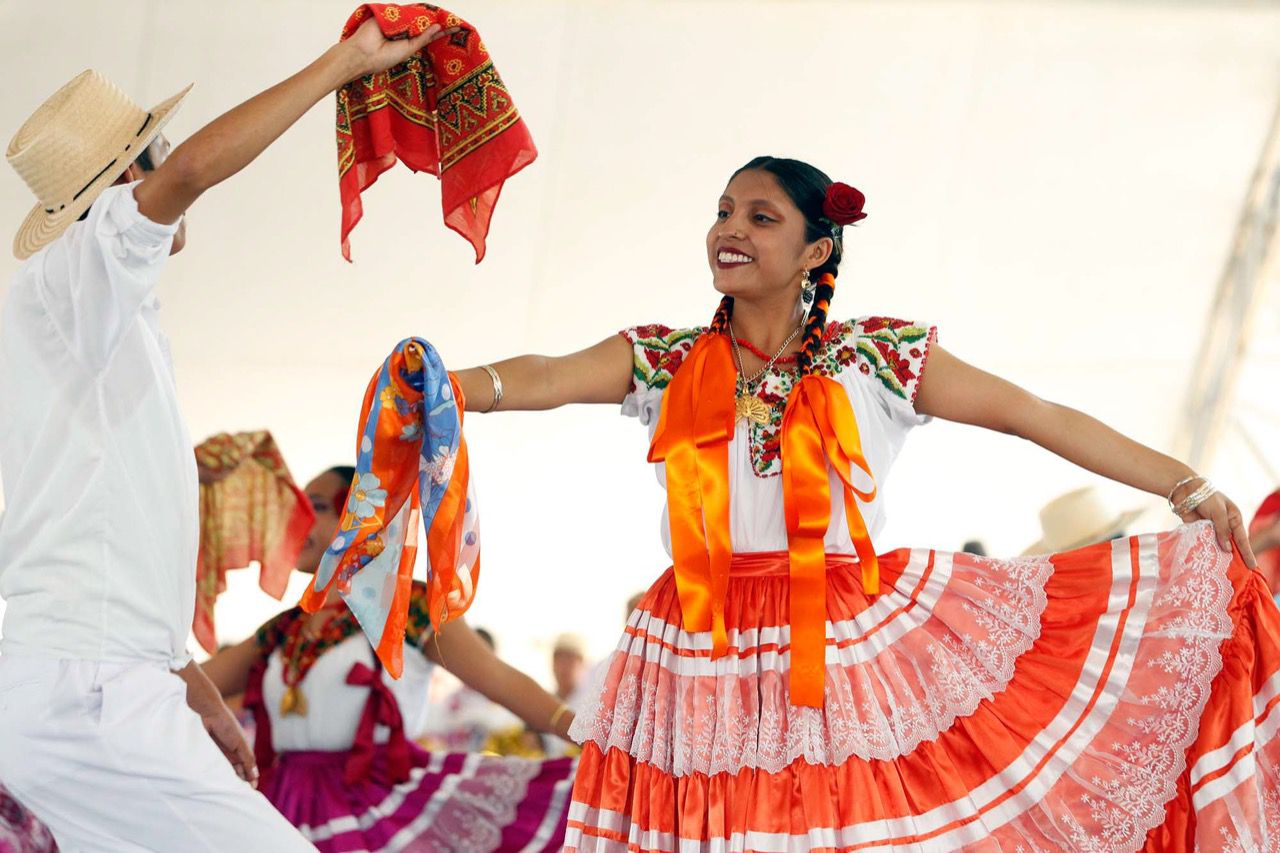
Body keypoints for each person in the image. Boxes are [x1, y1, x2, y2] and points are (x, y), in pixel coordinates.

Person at [445, 157, 1276, 849]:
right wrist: (444, 387)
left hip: (838, 639)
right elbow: (547, 376)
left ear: (815, 251)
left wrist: (1185, 482)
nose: (729, 228)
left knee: (839, 828)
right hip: (697, 645)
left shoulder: (875, 356)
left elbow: (1035, 414)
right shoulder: (664, 358)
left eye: (761, 217)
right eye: (724, 211)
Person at [0, 20, 452, 850]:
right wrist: (345, 64)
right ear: (123, 179)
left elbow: (98, 546)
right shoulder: (81, 268)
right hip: (89, 690)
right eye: (155, 153)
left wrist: (192, 688)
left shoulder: (78, 324)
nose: (169, 169)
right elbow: (194, 171)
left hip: (85, 680)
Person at [203, 466, 578, 852]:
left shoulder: (409, 608)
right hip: (281, 804)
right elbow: (190, 684)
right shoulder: (282, 631)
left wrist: (592, 736)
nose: (297, 520)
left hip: (378, 806)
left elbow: (499, 679)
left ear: (359, 515)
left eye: (315, 506)